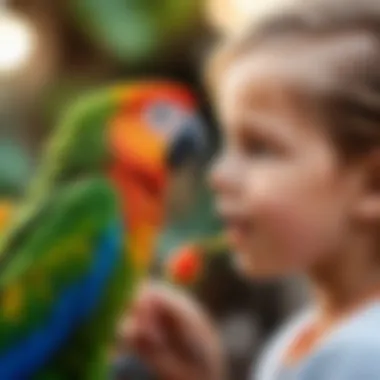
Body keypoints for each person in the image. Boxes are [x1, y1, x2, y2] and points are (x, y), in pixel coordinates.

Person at [124, 0, 380, 378]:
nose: (218, 175)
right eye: (227, 145)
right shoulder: (305, 335)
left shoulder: (361, 355)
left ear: (373, 185)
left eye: (259, 148)